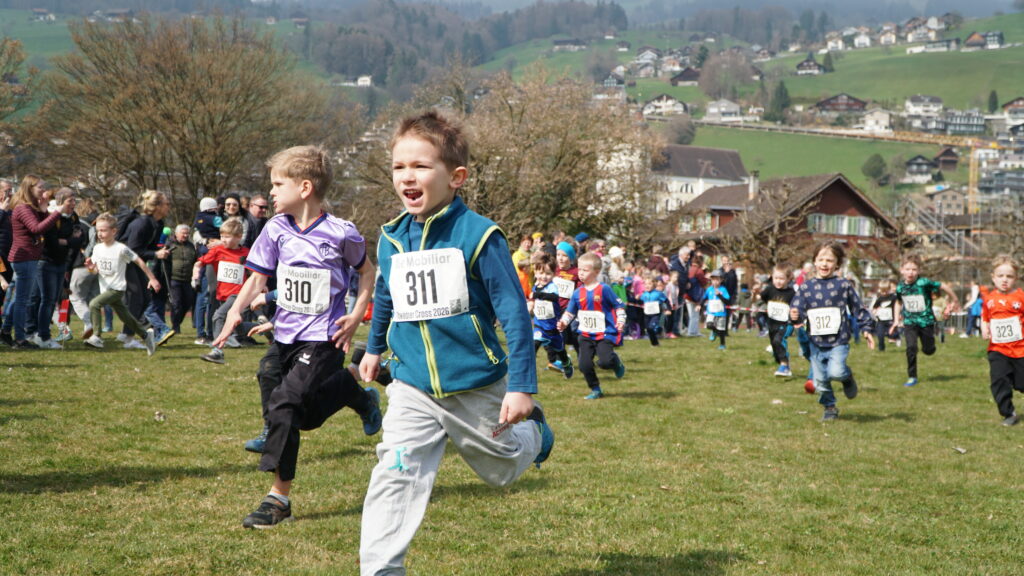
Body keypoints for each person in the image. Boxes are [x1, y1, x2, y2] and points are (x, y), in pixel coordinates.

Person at [357, 111, 551, 574]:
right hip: (412, 386)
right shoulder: (390, 238)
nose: (408, 175)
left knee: (502, 467)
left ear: (456, 177)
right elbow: (387, 296)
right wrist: (373, 347)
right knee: (395, 473)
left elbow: (514, 314)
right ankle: (381, 569)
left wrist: (523, 386)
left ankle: (536, 432)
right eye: (399, 166)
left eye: (421, 166)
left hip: (476, 382)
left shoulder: (480, 236)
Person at [210, 144, 378, 530]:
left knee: (286, 407)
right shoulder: (276, 229)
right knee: (289, 401)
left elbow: (367, 273)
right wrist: (235, 313)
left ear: (304, 187)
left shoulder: (341, 233)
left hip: (323, 340)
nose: (270, 192)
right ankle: (354, 389)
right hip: (284, 335)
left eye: (277, 184)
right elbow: (258, 279)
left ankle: (277, 498)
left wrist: (355, 315)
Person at [790, 242, 875, 421]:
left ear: (837, 264)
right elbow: (797, 309)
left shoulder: (843, 285)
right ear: (814, 262)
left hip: (839, 340)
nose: (825, 264)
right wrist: (795, 315)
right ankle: (829, 407)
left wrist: (866, 329)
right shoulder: (806, 287)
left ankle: (847, 377)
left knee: (835, 372)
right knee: (820, 381)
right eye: (821, 259)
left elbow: (858, 308)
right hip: (815, 342)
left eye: (829, 260)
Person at [83, 213, 159, 355]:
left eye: (104, 230)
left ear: (114, 231)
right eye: (98, 230)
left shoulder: (121, 249)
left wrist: (152, 279)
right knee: (126, 317)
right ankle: (146, 336)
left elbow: (140, 261)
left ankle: (97, 337)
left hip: (117, 288)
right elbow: (95, 271)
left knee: (94, 304)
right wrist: (91, 267)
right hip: (105, 289)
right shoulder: (97, 249)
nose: (100, 233)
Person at [5, 176, 66, 349]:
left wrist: (45, 208)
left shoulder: (29, 208)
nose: (43, 189)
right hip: (25, 258)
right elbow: (37, 228)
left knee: (19, 298)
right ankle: (19, 339)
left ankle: (6, 330)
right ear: (30, 188)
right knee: (22, 300)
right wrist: (57, 212)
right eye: (40, 187)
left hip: (27, 257)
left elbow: (43, 224)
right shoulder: (23, 208)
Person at [558, 251, 626, 400]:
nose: (580, 273)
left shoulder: (604, 289)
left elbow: (619, 306)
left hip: (604, 334)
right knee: (584, 365)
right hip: (585, 335)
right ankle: (595, 389)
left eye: (585, 270)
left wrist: (620, 320)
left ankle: (615, 362)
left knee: (605, 362)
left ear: (596, 272)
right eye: (579, 269)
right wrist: (563, 322)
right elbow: (570, 312)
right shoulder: (577, 293)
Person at [890, 255, 960, 387]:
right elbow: (898, 303)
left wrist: (954, 299)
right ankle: (912, 376)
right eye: (908, 269)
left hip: (926, 321)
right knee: (911, 347)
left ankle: (930, 347)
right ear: (902, 270)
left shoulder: (923, 283)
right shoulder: (900, 288)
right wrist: (895, 320)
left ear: (919, 271)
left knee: (928, 350)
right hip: (910, 321)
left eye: (914, 269)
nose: (911, 272)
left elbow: (943, 286)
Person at [118, 190, 173, 348]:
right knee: (136, 298)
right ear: (157, 207)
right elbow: (132, 249)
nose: (168, 206)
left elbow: (146, 248)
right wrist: (156, 254)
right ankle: (128, 337)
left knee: (146, 299)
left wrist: (159, 251)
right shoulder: (142, 223)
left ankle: (126, 333)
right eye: (166, 204)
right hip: (125, 262)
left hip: (136, 262)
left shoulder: (158, 223)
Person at [194, 218, 249, 364]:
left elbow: (254, 272)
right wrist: (196, 274)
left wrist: (262, 287)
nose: (223, 240)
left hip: (238, 293)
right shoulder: (217, 251)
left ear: (238, 237)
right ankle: (269, 329)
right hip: (222, 294)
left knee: (218, 316)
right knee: (239, 328)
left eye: (227, 237)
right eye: (222, 236)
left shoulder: (245, 253)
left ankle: (217, 351)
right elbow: (200, 263)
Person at [981, 256, 1024, 426]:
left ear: (1016, 278)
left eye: (1009, 276)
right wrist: (984, 328)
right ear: (993, 277)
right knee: (998, 380)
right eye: (1000, 276)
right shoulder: (988, 299)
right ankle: (1009, 413)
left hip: (1020, 349)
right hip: (997, 349)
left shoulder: (1021, 297)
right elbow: (985, 317)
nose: (1004, 280)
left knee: (1021, 382)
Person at [529, 253, 574, 378]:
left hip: (553, 327)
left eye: (548, 273)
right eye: (541, 273)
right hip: (539, 325)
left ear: (554, 274)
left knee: (560, 351)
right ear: (536, 272)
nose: (544, 276)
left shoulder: (552, 286)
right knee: (534, 345)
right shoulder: (535, 286)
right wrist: (529, 307)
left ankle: (566, 363)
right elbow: (533, 302)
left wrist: (538, 295)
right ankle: (527, 372)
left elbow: (554, 297)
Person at [762, 264, 796, 377]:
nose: (778, 281)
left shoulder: (791, 293)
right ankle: (783, 364)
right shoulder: (770, 289)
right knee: (774, 344)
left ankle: (784, 364)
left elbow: (796, 306)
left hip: (785, 323)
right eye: (776, 278)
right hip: (772, 323)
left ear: (788, 279)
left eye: (781, 279)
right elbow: (763, 297)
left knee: (778, 341)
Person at [167, 224, 197, 336]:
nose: (185, 235)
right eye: (183, 233)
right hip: (174, 279)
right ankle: (175, 327)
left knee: (187, 302)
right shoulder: (170, 244)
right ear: (176, 233)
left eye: (187, 233)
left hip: (187, 280)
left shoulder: (191, 246)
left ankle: (177, 322)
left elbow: (195, 260)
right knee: (176, 303)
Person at [702, 269, 730, 350]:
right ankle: (714, 331)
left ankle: (722, 344)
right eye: (713, 279)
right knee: (709, 325)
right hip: (711, 311)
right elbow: (704, 298)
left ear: (721, 280)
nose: (715, 281)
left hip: (721, 312)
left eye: (717, 279)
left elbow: (728, 301)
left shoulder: (723, 289)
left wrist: (720, 296)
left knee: (721, 330)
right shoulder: (709, 289)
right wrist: (699, 305)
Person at [640, 276, 670, 346]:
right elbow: (640, 302)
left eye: (649, 284)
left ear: (654, 285)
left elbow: (666, 301)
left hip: (655, 314)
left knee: (651, 328)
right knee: (648, 329)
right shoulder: (644, 294)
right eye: (646, 284)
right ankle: (655, 343)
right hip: (647, 314)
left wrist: (668, 309)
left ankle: (659, 331)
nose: (647, 285)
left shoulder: (658, 293)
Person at [871, 279, 898, 352]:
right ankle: (881, 349)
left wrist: (898, 315)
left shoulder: (893, 297)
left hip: (890, 319)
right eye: (882, 291)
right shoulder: (880, 298)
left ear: (889, 289)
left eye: (886, 290)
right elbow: (875, 307)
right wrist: (874, 312)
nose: (884, 293)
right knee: (880, 334)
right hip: (881, 319)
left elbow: (897, 306)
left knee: (891, 333)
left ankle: (896, 337)